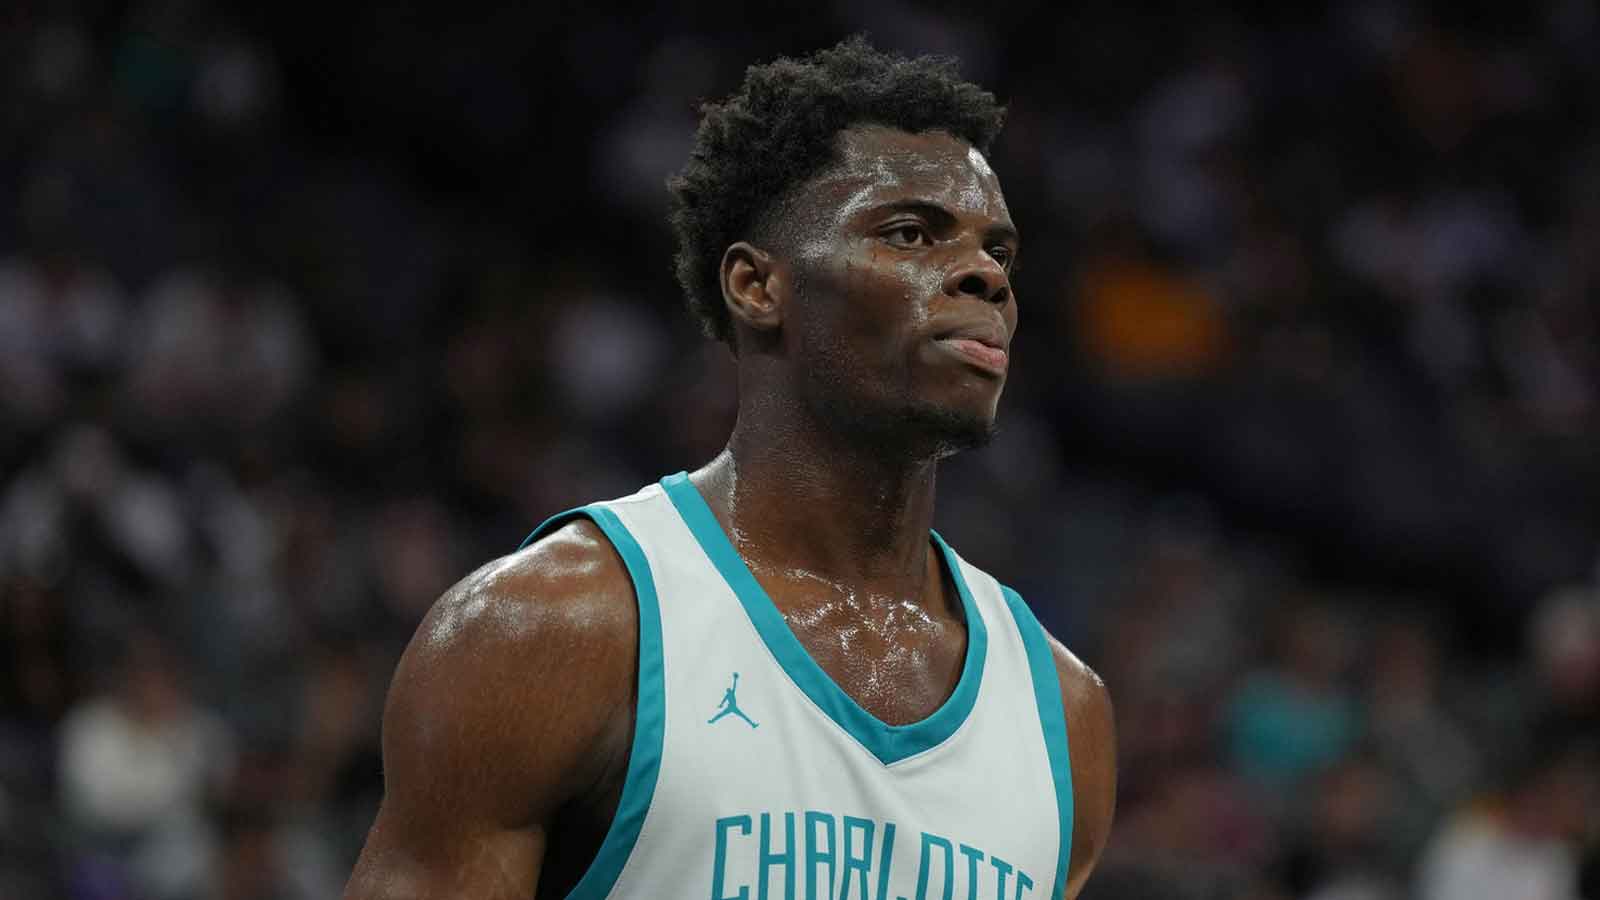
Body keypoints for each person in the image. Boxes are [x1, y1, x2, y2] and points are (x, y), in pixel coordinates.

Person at [344, 37, 1116, 900]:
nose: (983, 275)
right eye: (910, 233)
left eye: (998, 253)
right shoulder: (555, 629)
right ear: (758, 286)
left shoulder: (1063, 716)